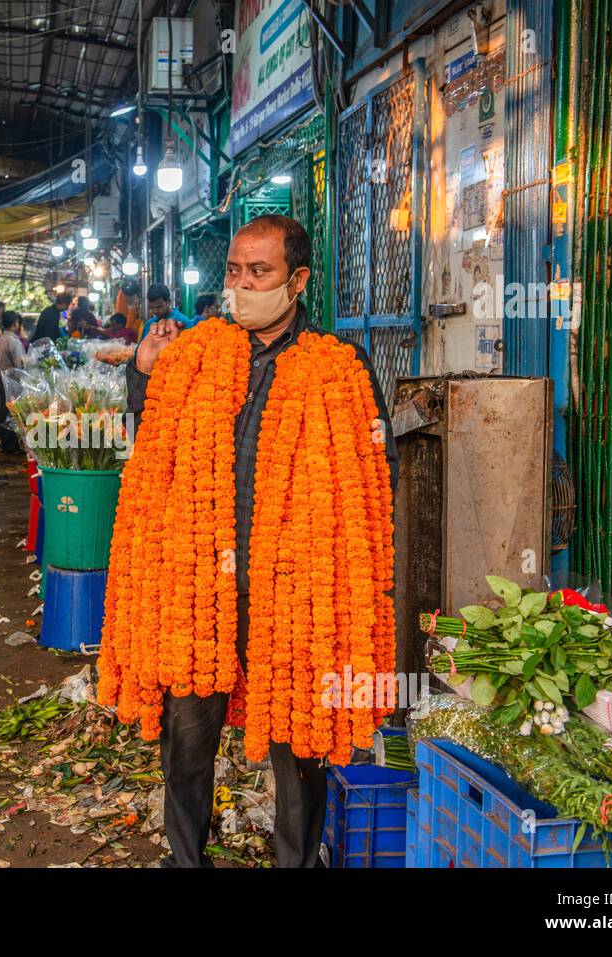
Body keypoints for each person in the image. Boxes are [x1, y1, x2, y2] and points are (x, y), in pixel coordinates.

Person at [111, 215, 397, 869]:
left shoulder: (337, 368)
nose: (242, 284)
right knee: (187, 739)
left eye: (258, 272)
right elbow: (149, 447)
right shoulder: (194, 356)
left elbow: (376, 480)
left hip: (291, 600)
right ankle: (187, 859)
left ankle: (296, 861)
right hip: (200, 593)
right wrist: (142, 373)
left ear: (296, 280)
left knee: (299, 750)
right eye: (234, 271)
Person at [0, 311, 26, 453]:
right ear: (15, 324)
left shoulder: (0, 340)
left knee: (3, 411)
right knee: (12, 414)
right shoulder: (14, 342)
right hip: (12, 382)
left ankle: (6, 443)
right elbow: (20, 365)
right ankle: (10, 445)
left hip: (1, 380)